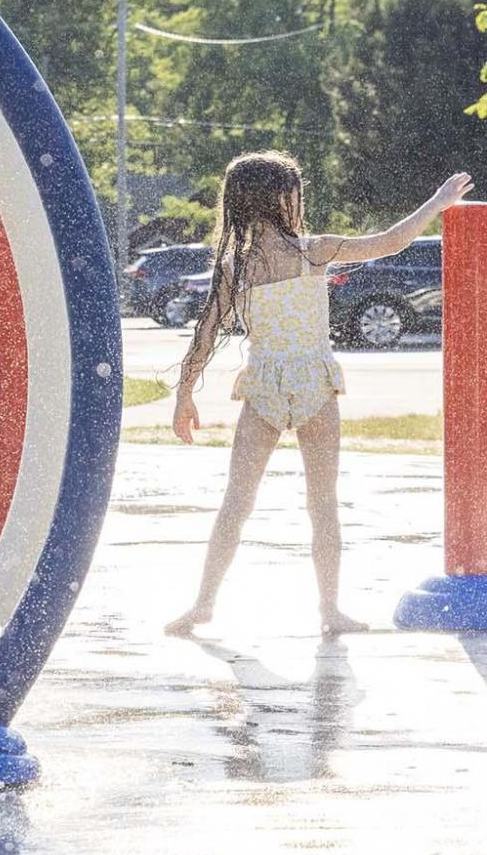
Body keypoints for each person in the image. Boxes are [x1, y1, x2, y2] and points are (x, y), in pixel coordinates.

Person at [166, 152, 472, 637]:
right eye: (292, 190)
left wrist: (185, 395)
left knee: (242, 503)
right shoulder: (309, 251)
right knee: (315, 503)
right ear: (281, 198)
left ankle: (228, 604)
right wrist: (435, 202)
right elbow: (391, 242)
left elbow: (204, 333)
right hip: (304, 383)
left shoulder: (251, 261)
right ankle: (306, 609)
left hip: (272, 383)